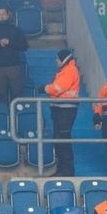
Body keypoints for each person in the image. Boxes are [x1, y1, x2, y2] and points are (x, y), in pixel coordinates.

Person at [44, 48, 80, 176]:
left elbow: (57, 88)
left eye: (57, 58)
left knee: (62, 140)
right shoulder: (65, 70)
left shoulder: (69, 71)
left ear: (63, 59)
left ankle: (67, 170)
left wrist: (45, 88)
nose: (56, 61)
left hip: (66, 110)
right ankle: (62, 169)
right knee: (59, 140)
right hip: (60, 109)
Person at [0, 5, 27, 102]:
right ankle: (3, 115)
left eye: (3, 14)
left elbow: (24, 46)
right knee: (0, 95)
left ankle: (17, 116)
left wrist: (10, 42)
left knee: (17, 94)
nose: (1, 16)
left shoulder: (15, 30)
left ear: (8, 15)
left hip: (13, 66)